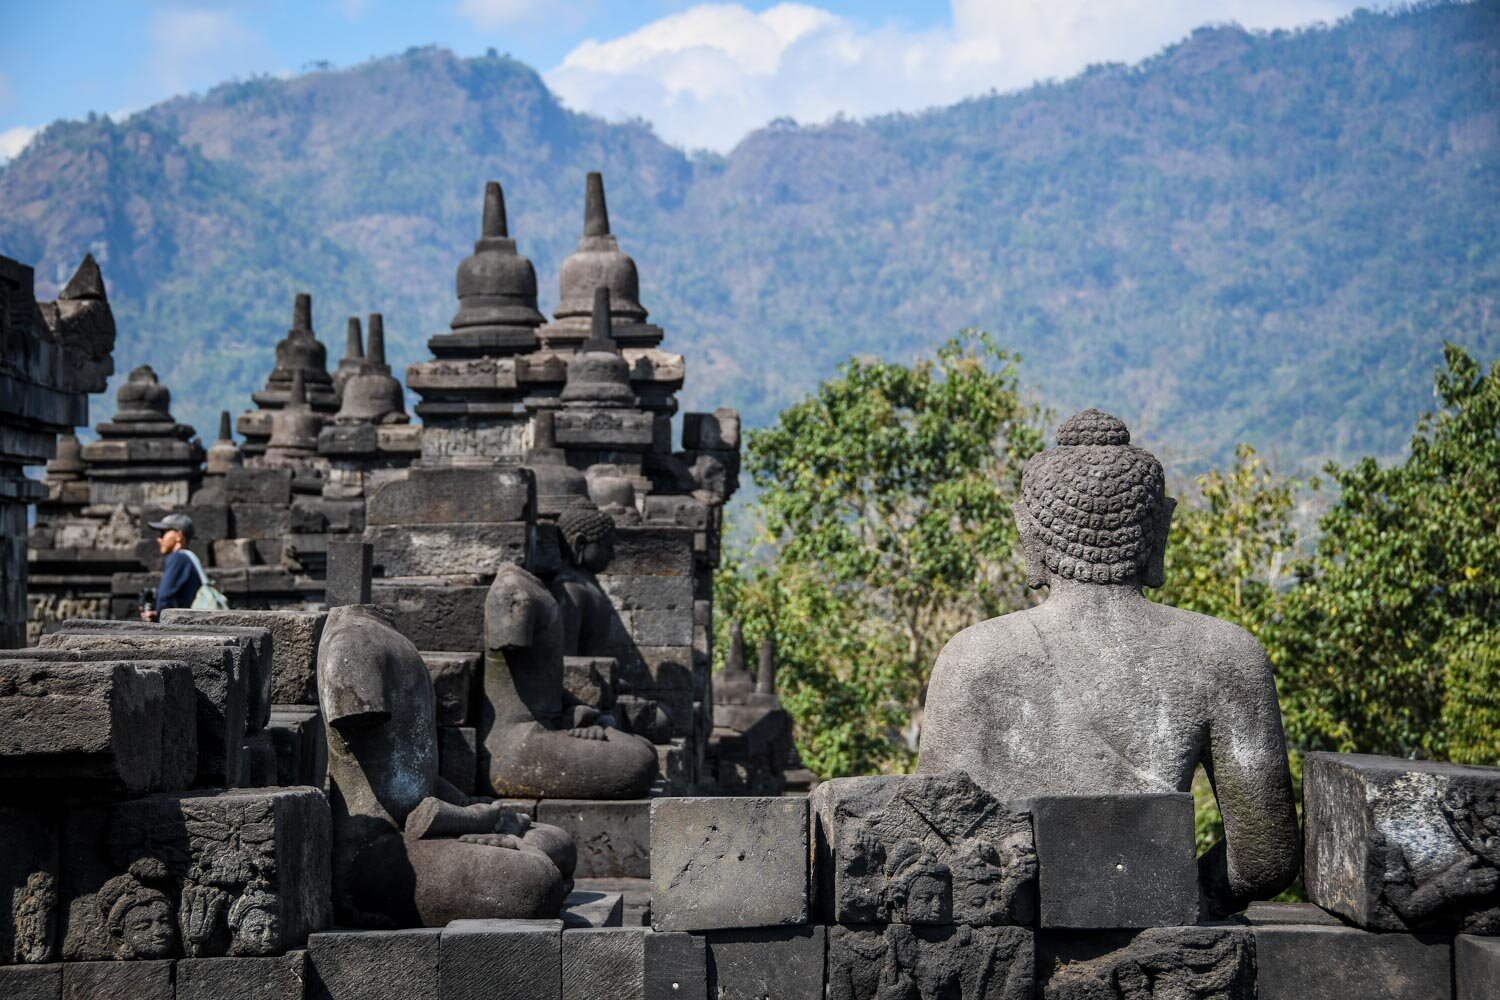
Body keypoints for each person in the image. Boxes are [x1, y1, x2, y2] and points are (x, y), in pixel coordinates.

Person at [141, 512, 199, 621]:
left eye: (163, 533)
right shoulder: (189, 558)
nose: (159, 539)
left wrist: (160, 618)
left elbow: (164, 596)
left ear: (179, 536)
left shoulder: (177, 558)